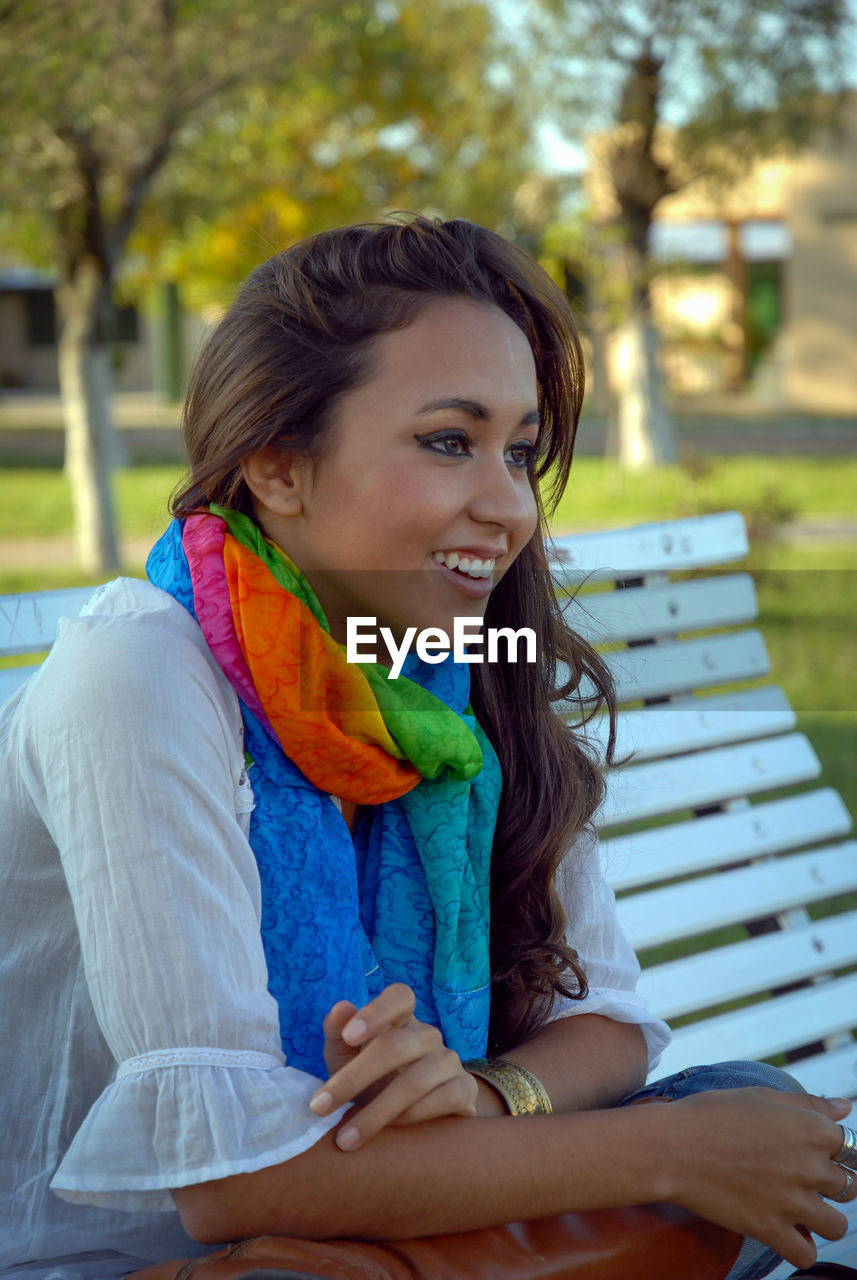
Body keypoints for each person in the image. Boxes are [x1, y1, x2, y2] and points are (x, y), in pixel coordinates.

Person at [1, 215, 855, 1280]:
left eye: (519, 451)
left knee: (749, 1099)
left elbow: (610, 1018)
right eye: (448, 441)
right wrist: (674, 1151)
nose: (505, 506)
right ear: (277, 465)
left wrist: (489, 1092)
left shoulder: (452, 671)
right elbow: (230, 1181)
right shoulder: (139, 675)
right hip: (139, 1259)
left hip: (406, 1210)